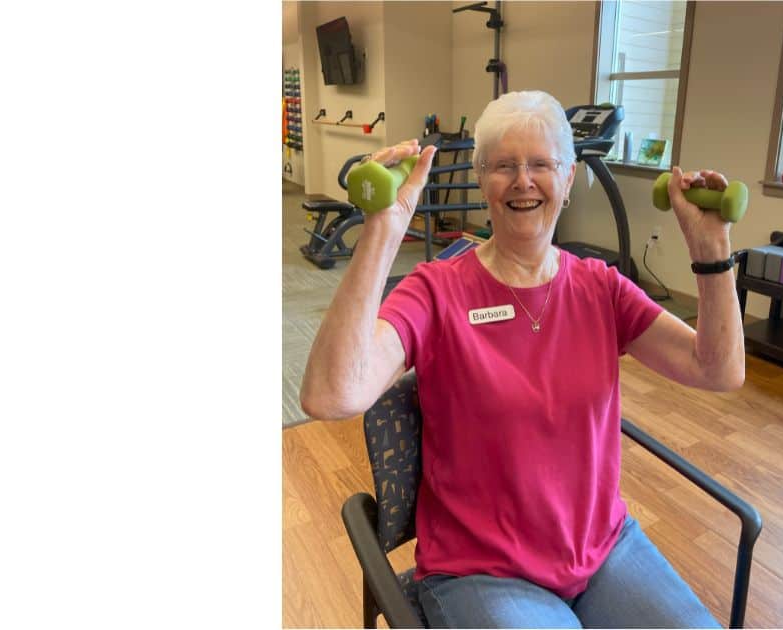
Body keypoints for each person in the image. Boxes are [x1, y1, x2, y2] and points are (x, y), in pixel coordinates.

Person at [301, 90, 744, 628]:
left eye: (541, 164)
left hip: (603, 551)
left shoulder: (602, 289)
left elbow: (717, 369)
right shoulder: (437, 291)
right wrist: (382, 233)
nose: (523, 181)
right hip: (483, 571)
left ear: (571, 176)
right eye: (503, 166)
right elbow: (332, 394)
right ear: (481, 178)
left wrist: (710, 250)